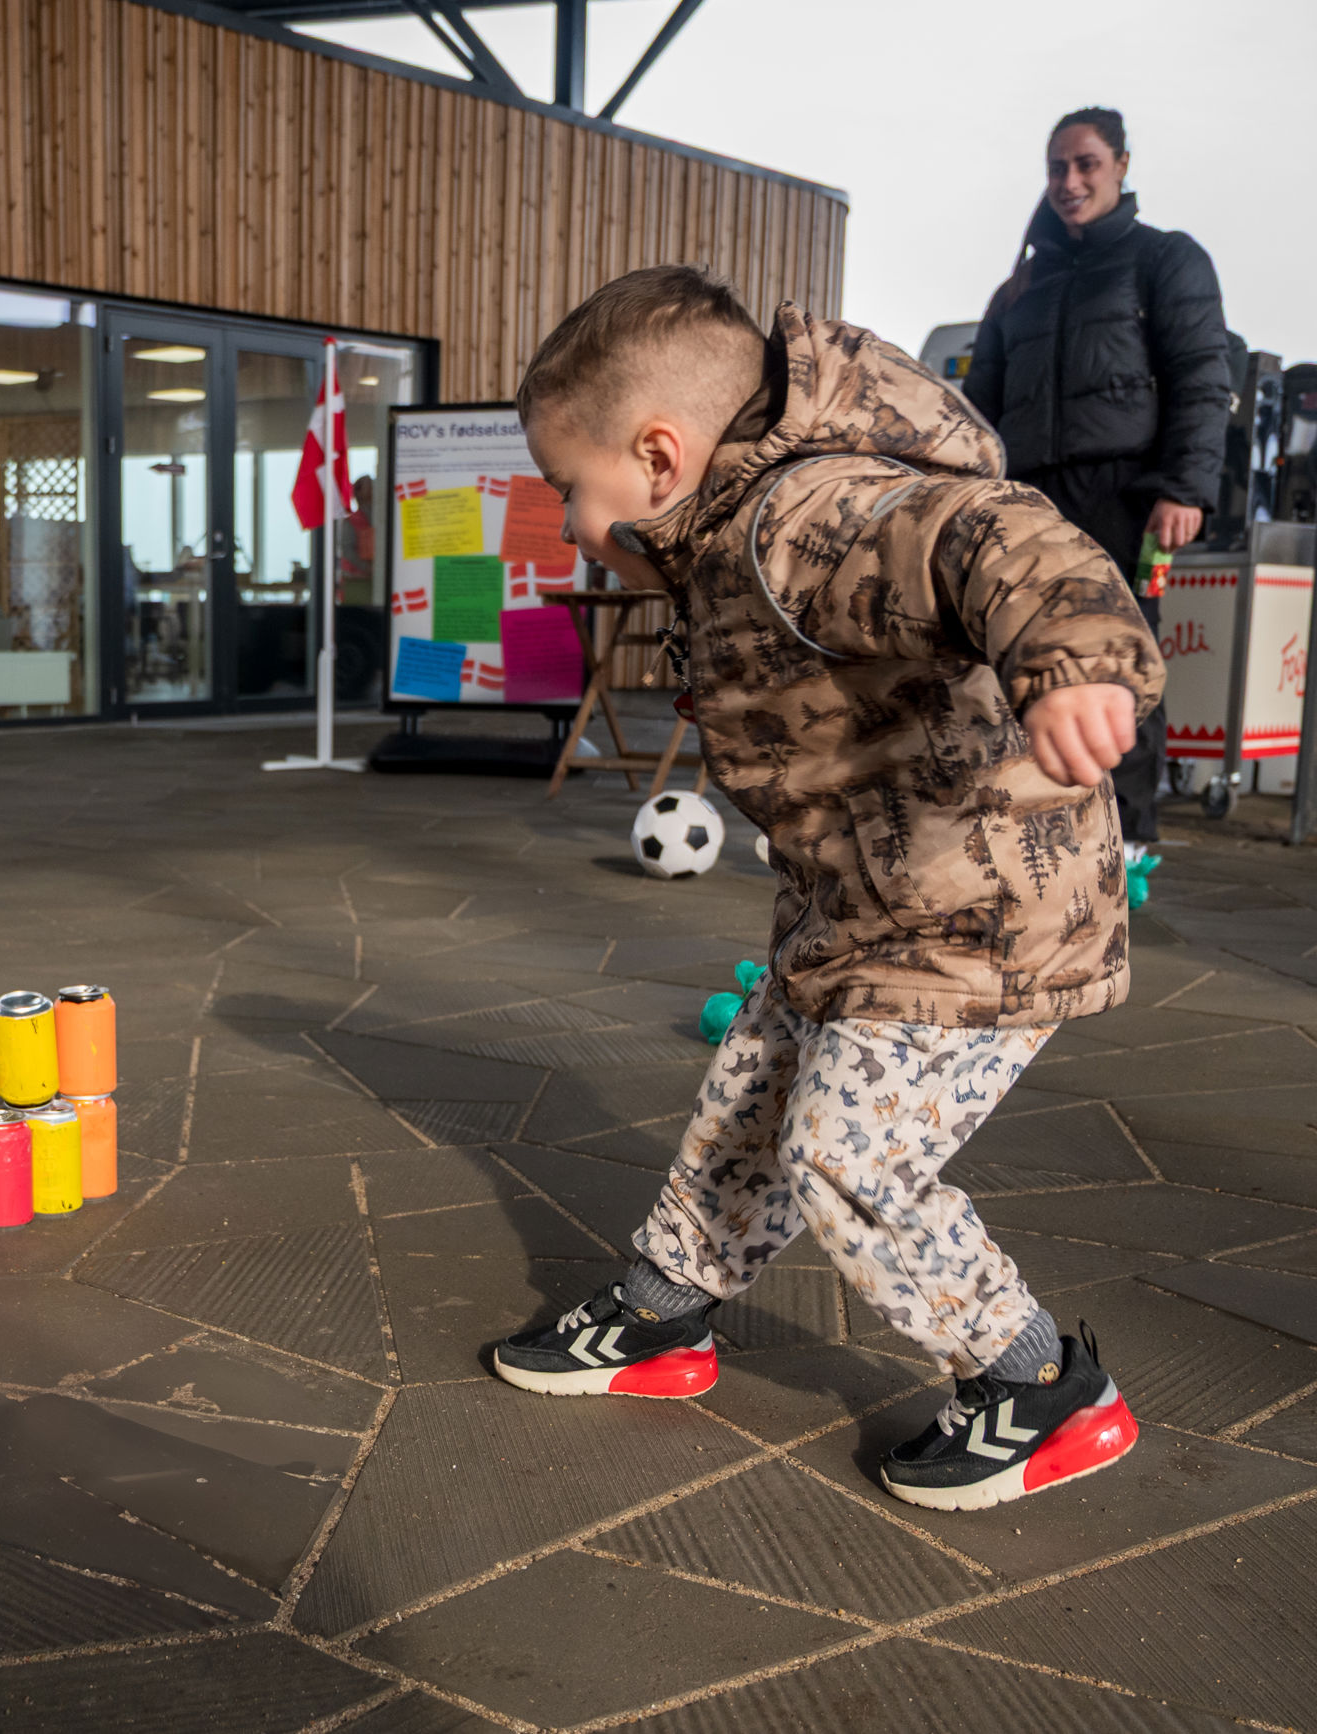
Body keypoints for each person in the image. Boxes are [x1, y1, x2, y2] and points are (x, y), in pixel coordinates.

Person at [490, 266, 1164, 1512]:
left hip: (978, 912)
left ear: (656, 457)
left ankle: (1038, 1386)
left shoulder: (802, 519)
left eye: (564, 488)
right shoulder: (726, 530)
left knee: (848, 1158)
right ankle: (665, 1307)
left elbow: (988, 536)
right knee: (746, 1097)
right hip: (862, 899)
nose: (565, 522)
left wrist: (1072, 660)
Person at [964, 107, 1228, 867]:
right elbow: (975, 411)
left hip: (1126, 497)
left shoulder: (1166, 259)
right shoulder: (1017, 289)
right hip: (1027, 506)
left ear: (1121, 166)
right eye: (1058, 167)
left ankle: (1128, 842)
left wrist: (1185, 488)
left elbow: (1202, 379)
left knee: (1118, 660)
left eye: (1086, 164)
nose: (1070, 181)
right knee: (1013, 658)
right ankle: (1023, 835)